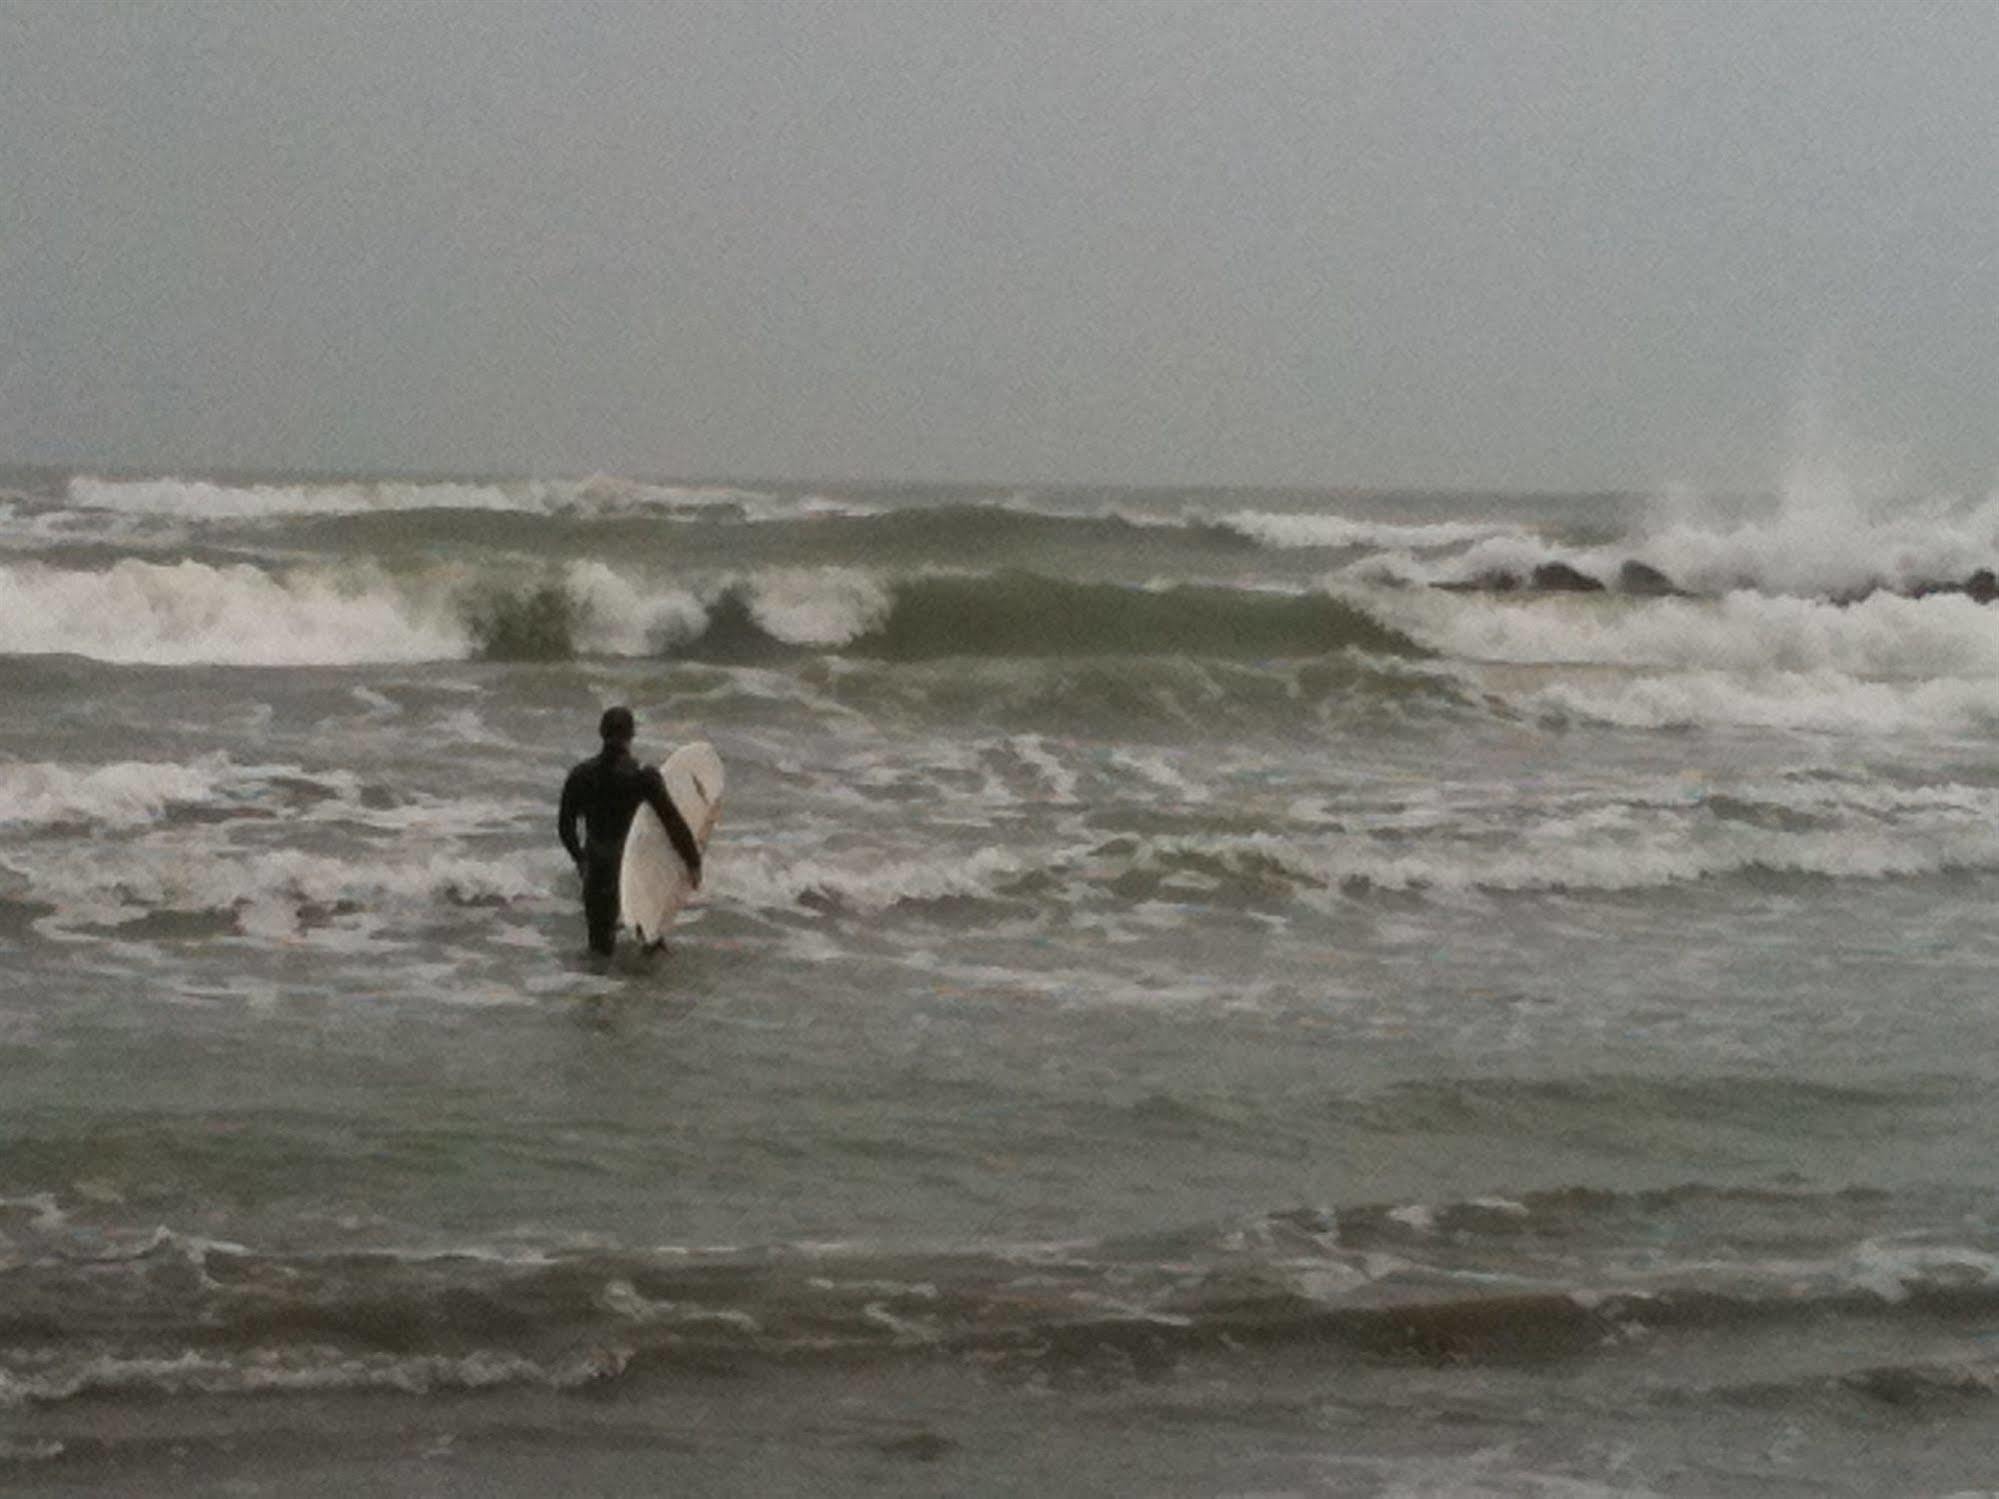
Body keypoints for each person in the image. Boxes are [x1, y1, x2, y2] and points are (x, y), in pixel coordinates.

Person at [558, 705, 702, 956]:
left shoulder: (580, 775)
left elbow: (565, 827)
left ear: (601, 732)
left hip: (598, 868)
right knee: (650, 944)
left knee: (599, 951)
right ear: (631, 734)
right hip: (634, 867)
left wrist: (581, 860)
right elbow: (672, 823)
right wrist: (693, 861)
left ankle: (595, 993)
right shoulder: (643, 776)